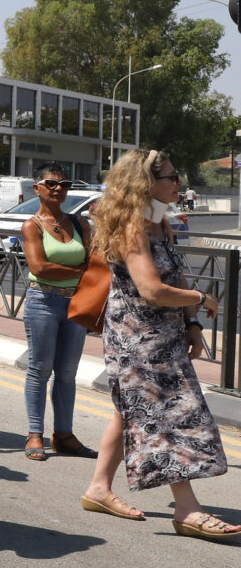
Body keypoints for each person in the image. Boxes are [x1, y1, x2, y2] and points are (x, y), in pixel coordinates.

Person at [79, 150, 237, 539]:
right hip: (138, 341)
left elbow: (175, 278)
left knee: (130, 412)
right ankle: (187, 509)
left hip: (163, 337)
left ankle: (98, 488)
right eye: (171, 177)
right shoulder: (131, 228)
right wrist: (202, 298)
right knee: (166, 416)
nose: (179, 182)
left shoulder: (161, 224)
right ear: (145, 184)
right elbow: (151, 289)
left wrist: (192, 324)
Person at [18, 165, 95, 461]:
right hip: (43, 301)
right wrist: (79, 271)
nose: (58, 189)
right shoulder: (32, 225)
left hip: (75, 303)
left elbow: (94, 260)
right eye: (51, 183)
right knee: (40, 369)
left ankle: (64, 435)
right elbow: (39, 267)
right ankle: (34, 434)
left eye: (64, 184)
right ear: (37, 188)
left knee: (67, 372)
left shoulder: (79, 222)